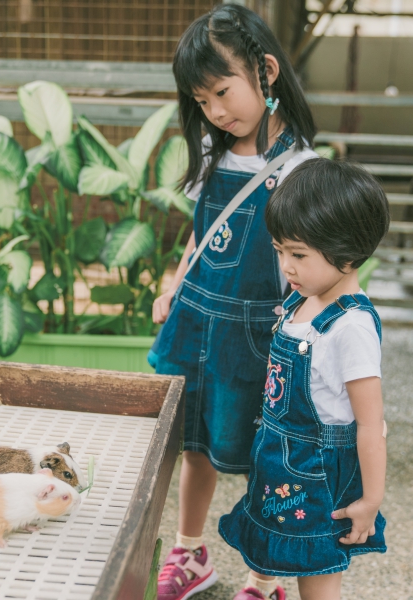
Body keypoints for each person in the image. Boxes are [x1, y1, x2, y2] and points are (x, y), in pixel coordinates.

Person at [150, 5, 318, 599]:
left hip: (257, 335)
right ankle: (190, 553)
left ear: (265, 71)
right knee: (194, 446)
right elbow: (203, 230)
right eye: (202, 100)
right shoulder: (211, 150)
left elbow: (308, 264)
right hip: (198, 321)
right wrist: (175, 284)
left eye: (223, 91)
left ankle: (264, 578)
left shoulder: (300, 168)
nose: (217, 111)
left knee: (261, 460)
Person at [218, 158, 391, 600]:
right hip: (279, 458)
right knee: (287, 559)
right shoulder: (303, 299)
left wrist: (371, 499)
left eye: (297, 255)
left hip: (316, 474)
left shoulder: (350, 327)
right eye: (280, 251)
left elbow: (371, 423)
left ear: (347, 254)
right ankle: (266, 589)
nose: (286, 266)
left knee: (317, 580)